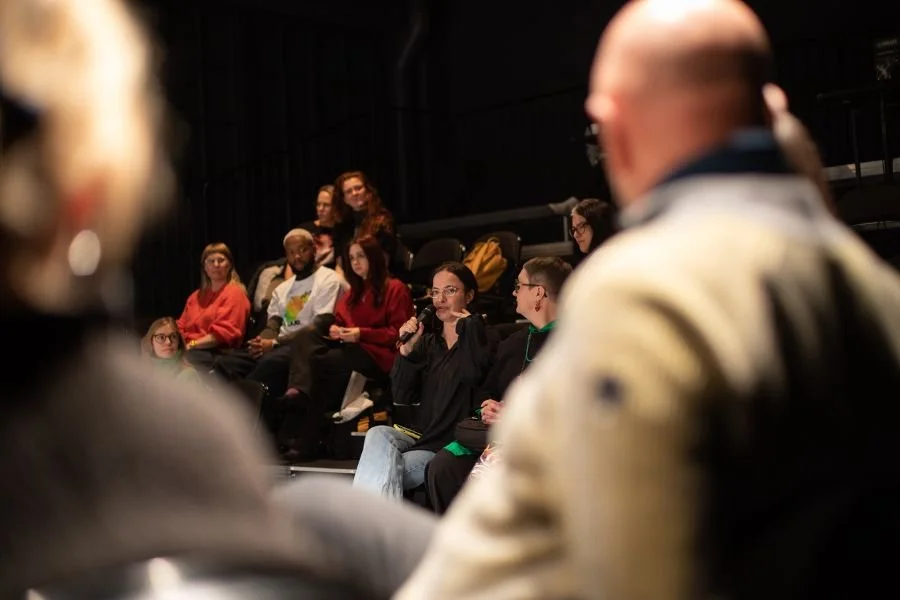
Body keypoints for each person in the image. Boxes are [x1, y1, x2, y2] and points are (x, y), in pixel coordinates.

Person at [397, 1, 900, 599]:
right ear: (770, 112)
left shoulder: (644, 292)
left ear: (614, 125)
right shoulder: (877, 289)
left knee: (327, 524)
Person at [0, 0, 339, 595]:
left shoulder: (238, 295)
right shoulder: (172, 442)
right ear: (92, 192)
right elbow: (183, 323)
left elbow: (207, 330)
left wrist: (196, 339)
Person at [425, 257, 572, 513]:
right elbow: (486, 389)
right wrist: (488, 407)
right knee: (444, 465)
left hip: (547, 440)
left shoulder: (574, 340)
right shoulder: (514, 343)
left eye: (519, 286)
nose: (513, 292)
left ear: (538, 292)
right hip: (499, 437)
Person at [352, 262, 493, 500]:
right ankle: (373, 525)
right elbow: (402, 396)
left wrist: (469, 329)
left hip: (449, 444)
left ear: (469, 295)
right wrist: (406, 351)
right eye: (435, 292)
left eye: (450, 291)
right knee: (377, 433)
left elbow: (473, 375)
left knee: (385, 470)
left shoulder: (485, 338)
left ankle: (366, 525)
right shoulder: (428, 343)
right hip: (422, 436)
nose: (440, 299)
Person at [214, 228, 344, 399]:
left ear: (313, 249)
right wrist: (260, 343)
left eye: (302, 250)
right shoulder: (282, 288)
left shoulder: (328, 278)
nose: (296, 257)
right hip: (278, 343)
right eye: (291, 253)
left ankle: (244, 405)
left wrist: (274, 343)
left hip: (304, 346)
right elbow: (273, 324)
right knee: (226, 363)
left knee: (269, 363)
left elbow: (320, 324)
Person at [177, 242, 251, 370]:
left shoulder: (235, 293)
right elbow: (180, 325)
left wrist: (192, 344)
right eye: (211, 261)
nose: (216, 265)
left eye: (221, 260)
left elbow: (222, 335)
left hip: (216, 353)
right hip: (190, 348)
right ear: (205, 267)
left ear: (229, 265)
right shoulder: (195, 296)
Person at [332, 171, 396, 275]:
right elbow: (340, 264)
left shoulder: (382, 218)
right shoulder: (341, 225)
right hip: (349, 281)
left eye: (358, 188)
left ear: (368, 191)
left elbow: (384, 259)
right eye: (348, 191)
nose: (355, 193)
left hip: (377, 277)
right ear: (344, 199)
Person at [141, 316, 201, 385]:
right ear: (151, 342)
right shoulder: (144, 373)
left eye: (173, 336)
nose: (168, 342)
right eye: (161, 337)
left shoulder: (188, 375)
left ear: (179, 342)